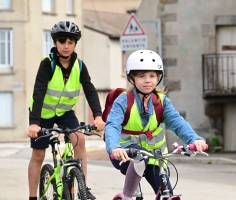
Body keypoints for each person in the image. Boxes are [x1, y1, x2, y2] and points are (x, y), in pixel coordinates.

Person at [104, 50, 207, 200]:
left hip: (154, 157)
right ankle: (126, 196)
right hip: (125, 154)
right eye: (141, 76)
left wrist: (194, 139)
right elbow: (112, 125)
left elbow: (178, 123)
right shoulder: (123, 100)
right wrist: (115, 147)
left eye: (152, 76)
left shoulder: (161, 102)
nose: (147, 80)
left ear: (158, 77)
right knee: (140, 158)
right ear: (132, 78)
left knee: (167, 194)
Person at [27, 21, 105, 200]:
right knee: (38, 154)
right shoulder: (47, 64)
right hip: (42, 114)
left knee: (79, 140)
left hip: (65, 112)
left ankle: (83, 187)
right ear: (55, 43)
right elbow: (38, 93)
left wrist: (98, 116)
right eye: (62, 42)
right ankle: (32, 196)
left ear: (75, 44)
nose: (66, 46)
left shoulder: (79, 66)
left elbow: (90, 90)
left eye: (71, 42)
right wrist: (34, 123)